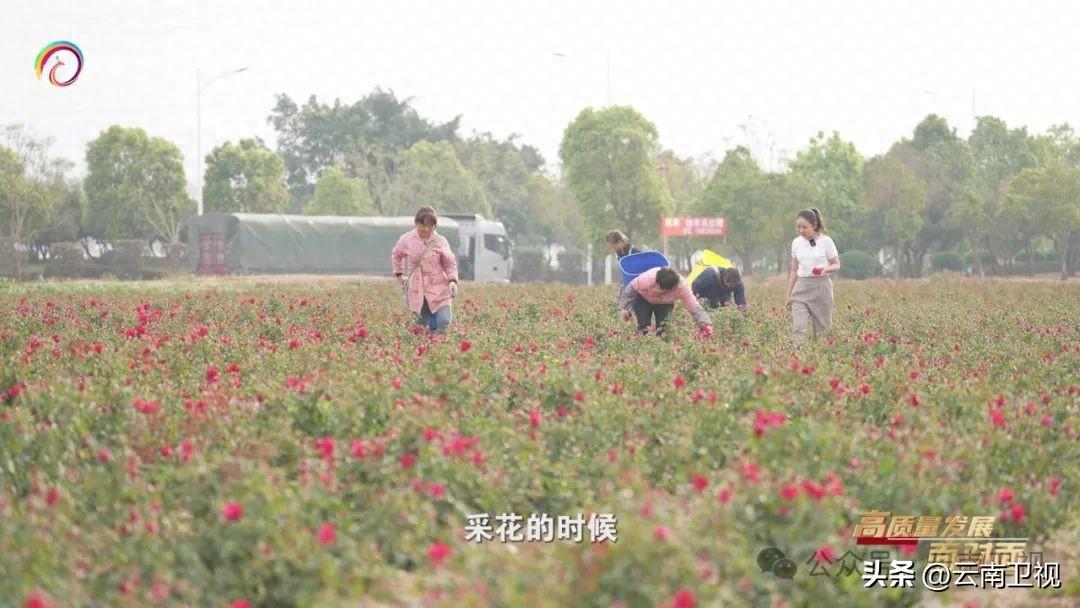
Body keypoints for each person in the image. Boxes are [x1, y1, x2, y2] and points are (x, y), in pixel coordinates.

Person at [391, 206, 459, 333]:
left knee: (444, 321)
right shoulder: (406, 239)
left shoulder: (440, 241)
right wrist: (400, 275)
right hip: (417, 289)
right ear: (416, 223)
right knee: (420, 327)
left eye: (431, 225)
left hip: (438, 288)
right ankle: (427, 349)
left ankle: (437, 345)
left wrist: (452, 280)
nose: (427, 229)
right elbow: (396, 255)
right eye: (423, 225)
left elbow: (450, 263)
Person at [784, 208, 840, 344]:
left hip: (821, 288)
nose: (801, 231)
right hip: (801, 288)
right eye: (798, 227)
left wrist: (825, 269)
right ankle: (796, 360)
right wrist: (789, 295)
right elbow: (794, 270)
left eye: (805, 227)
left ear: (814, 225)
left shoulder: (826, 241)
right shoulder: (796, 243)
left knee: (823, 331)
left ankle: (819, 360)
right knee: (798, 328)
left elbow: (836, 264)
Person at [619, 266, 712, 336]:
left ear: (672, 287)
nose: (659, 289)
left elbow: (693, 306)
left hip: (665, 304)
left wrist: (705, 324)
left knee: (663, 329)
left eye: (663, 289)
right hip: (643, 300)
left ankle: (661, 349)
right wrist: (625, 308)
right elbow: (630, 290)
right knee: (643, 327)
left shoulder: (682, 287)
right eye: (658, 286)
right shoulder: (648, 278)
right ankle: (643, 350)